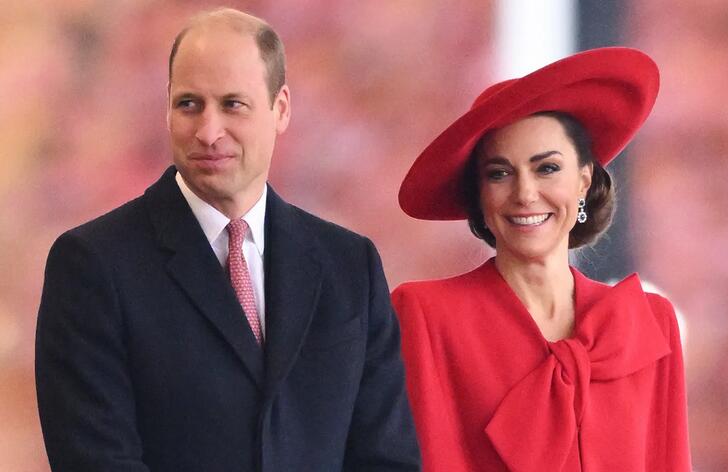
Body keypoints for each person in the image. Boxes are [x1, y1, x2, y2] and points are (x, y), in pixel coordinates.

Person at [35, 8, 419, 472]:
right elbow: (95, 460)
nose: (208, 132)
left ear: (281, 110)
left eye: (232, 104)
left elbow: (385, 456)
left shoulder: (349, 265)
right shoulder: (94, 265)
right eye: (189, 104)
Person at [392, 47, 691, 471]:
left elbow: (669, 461)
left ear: (584, 180)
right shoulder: (425, 314)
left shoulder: (647, 322)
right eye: (499, 173)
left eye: (547, 168)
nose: (525, 193)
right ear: (479, 195)